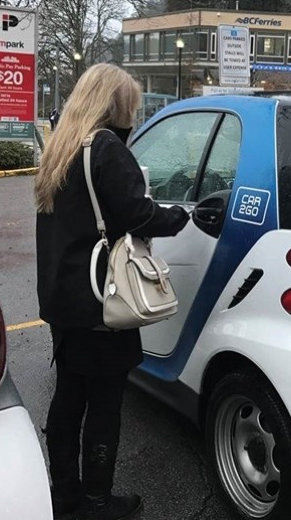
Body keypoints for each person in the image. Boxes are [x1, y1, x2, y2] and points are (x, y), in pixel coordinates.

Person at [34, 64, 189, 520]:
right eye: (132, 107)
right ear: (116, 104)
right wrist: (183, 216)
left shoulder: (61, 147)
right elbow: (137, 214)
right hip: (102, 299)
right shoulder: (107, 148)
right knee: (104, 405)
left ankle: (64, 497)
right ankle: (98, 502)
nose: (134, 116)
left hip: (63, 297)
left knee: (69, 399)